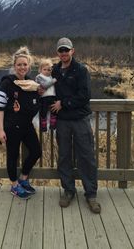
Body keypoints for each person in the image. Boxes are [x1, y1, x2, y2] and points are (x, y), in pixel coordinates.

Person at [51, 37, 101, 214]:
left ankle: (91, 194)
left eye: (67, 50)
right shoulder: (55, 70)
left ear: (73, 51)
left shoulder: (81, 70)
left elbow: (84, 95)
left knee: (86, 156)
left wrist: (63, 103)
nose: (64, 53)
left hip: (80, 119)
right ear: (58, 53)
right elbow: (50, 91)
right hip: (63, 121)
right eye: (61, 50)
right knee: (64, 156)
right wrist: (41, 89)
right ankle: (68, 191)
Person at [0, 46, 42, 199]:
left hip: (27, 126)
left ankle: (23, 179)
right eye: (19, 64)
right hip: (11, 126)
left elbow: (38, 101)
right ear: (14, 66)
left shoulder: (31, 84)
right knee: (12, 156)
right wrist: (0, 130)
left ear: (29, 66)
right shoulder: (7, 83)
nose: (22, 67)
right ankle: (14, 185)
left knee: (36, 151)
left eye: (25, 64)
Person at [35, 58, 57, 132]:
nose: (47, 71)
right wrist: (54, 80)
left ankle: (53, 125)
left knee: (54, 111)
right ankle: (43, 127)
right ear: (40, 70)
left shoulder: (51, 76)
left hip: (53, 97)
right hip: (44, 98)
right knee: (43, 112)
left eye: (49, 70)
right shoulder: (39, 77)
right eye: (45, 69)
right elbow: (44, 85)